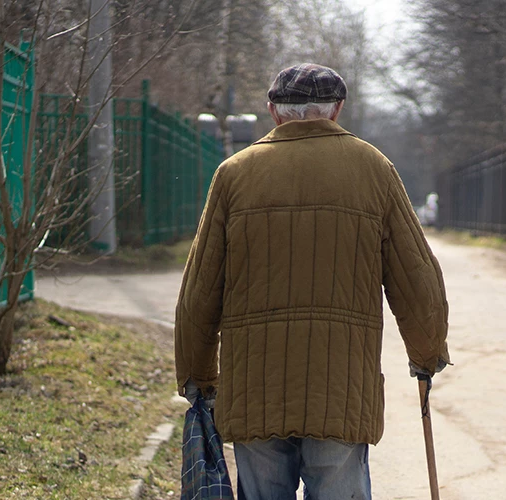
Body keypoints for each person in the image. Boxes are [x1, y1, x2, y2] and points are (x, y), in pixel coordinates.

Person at [175, 63, 451, 500]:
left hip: (254, 389)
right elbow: (417, 277)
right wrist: (427, 353)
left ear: (273, 111)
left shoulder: (234, 174)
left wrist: (198, 376)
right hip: (339, 389)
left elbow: (199, 292)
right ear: (337, 110)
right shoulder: (374, 169)